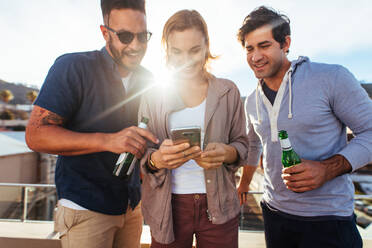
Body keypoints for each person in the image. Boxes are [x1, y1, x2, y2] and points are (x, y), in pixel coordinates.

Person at [25, 0, 158, 247]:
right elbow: (35, 134)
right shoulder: (72, 67)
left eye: (143, 36)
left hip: (131, 207)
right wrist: (108, 140)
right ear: (104, 32)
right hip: (85, 209)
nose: (136, 46)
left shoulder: (149, 79)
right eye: (126, 36)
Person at [237, 6, 372, 248]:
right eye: (249, 48)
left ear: (285, 43)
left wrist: (326, 169)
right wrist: (245, 183)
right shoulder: (251, 101)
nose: (255, 56)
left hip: (328, 219)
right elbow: (255, 144)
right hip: (274, 214)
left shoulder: (331, 78)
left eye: (264, 45)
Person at [138, 9, 249, 248]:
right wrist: (158, 159)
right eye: (177, 51)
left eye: (194, 50)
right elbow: (143, 155)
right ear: (167, 50)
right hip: (168, 208)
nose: (186, 60)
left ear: (207, 46)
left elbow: (242, 144)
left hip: (220, 205)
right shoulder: (152, 96)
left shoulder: (228, 92)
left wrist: (227, 153)